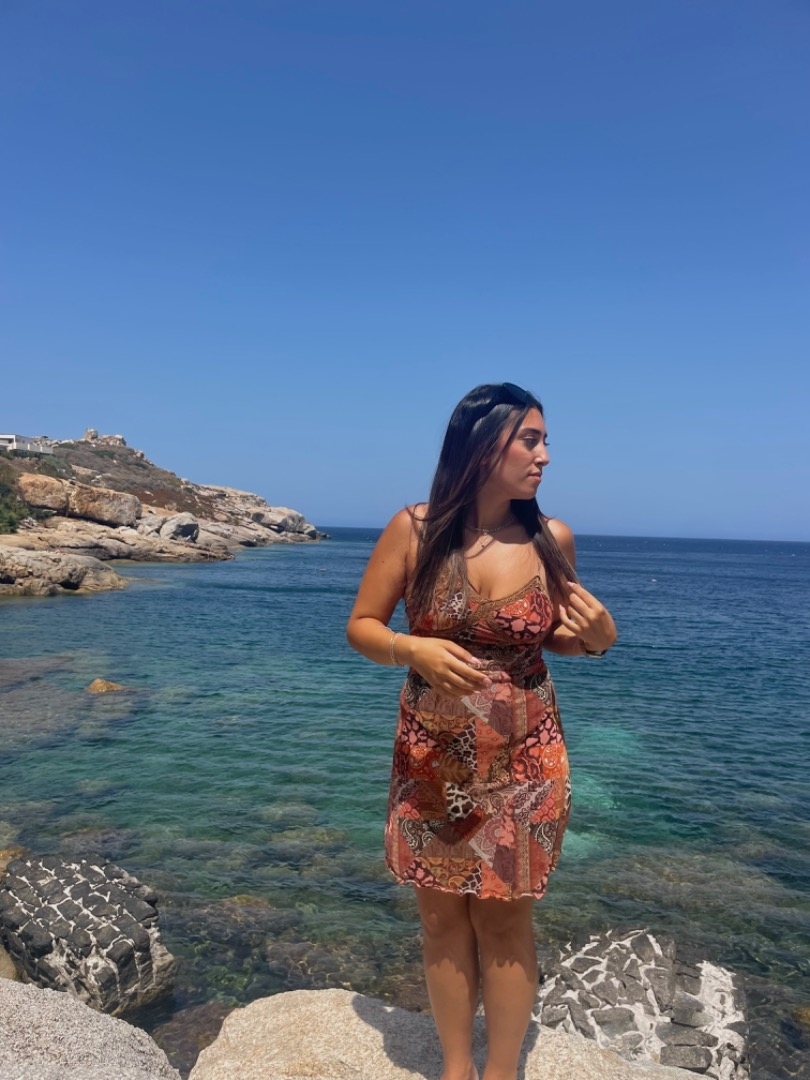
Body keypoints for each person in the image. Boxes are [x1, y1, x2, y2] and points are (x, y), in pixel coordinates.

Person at [346, 382, 617, 1080]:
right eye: (530, 440)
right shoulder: (415, 529)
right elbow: (363, 627)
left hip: (525, 756)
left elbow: (554, 638)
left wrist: (598, 640)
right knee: (441, 919)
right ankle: (456, 1067)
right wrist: (411, 648)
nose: (545, 456)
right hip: (433, 757)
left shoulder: (552, 539)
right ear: (481, 444)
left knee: (504, 919)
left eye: (546, 441)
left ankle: (499, 1072)